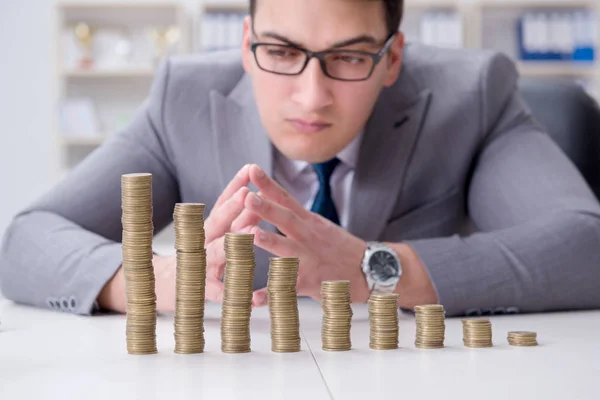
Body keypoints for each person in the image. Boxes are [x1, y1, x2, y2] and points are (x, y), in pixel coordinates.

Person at [1, 0, 600, 318]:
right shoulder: (181, 97)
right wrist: (164, 278)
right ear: (245, 44)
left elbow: (586, 245)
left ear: (393, 59)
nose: (311, 96)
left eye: (349, 58)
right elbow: (27, 240)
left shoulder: (473, 94)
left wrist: (373, 268)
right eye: (281, 51)